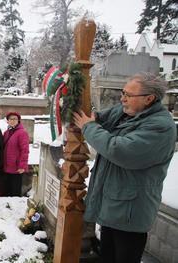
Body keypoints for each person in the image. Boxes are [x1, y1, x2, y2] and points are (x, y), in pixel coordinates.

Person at [72, 72, 176, 263]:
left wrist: (89, 127)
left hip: (130, 212)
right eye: (123, 92)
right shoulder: (126, 111)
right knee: (108, 257)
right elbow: (99, 118)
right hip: (112, 205)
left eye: (129, 95)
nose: (122, 98)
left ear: (149, 99)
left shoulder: (160, 126)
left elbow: (120, 151)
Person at [3, 112, 29, 197]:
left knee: (15, 190)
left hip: (16, 166)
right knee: (7, 189)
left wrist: (22, 165)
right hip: (7, 165)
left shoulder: (22, 133)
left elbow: (25, 150)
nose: (12, 121)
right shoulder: (6, 133)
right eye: (10, 119)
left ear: (18, 121)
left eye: (14, 119)